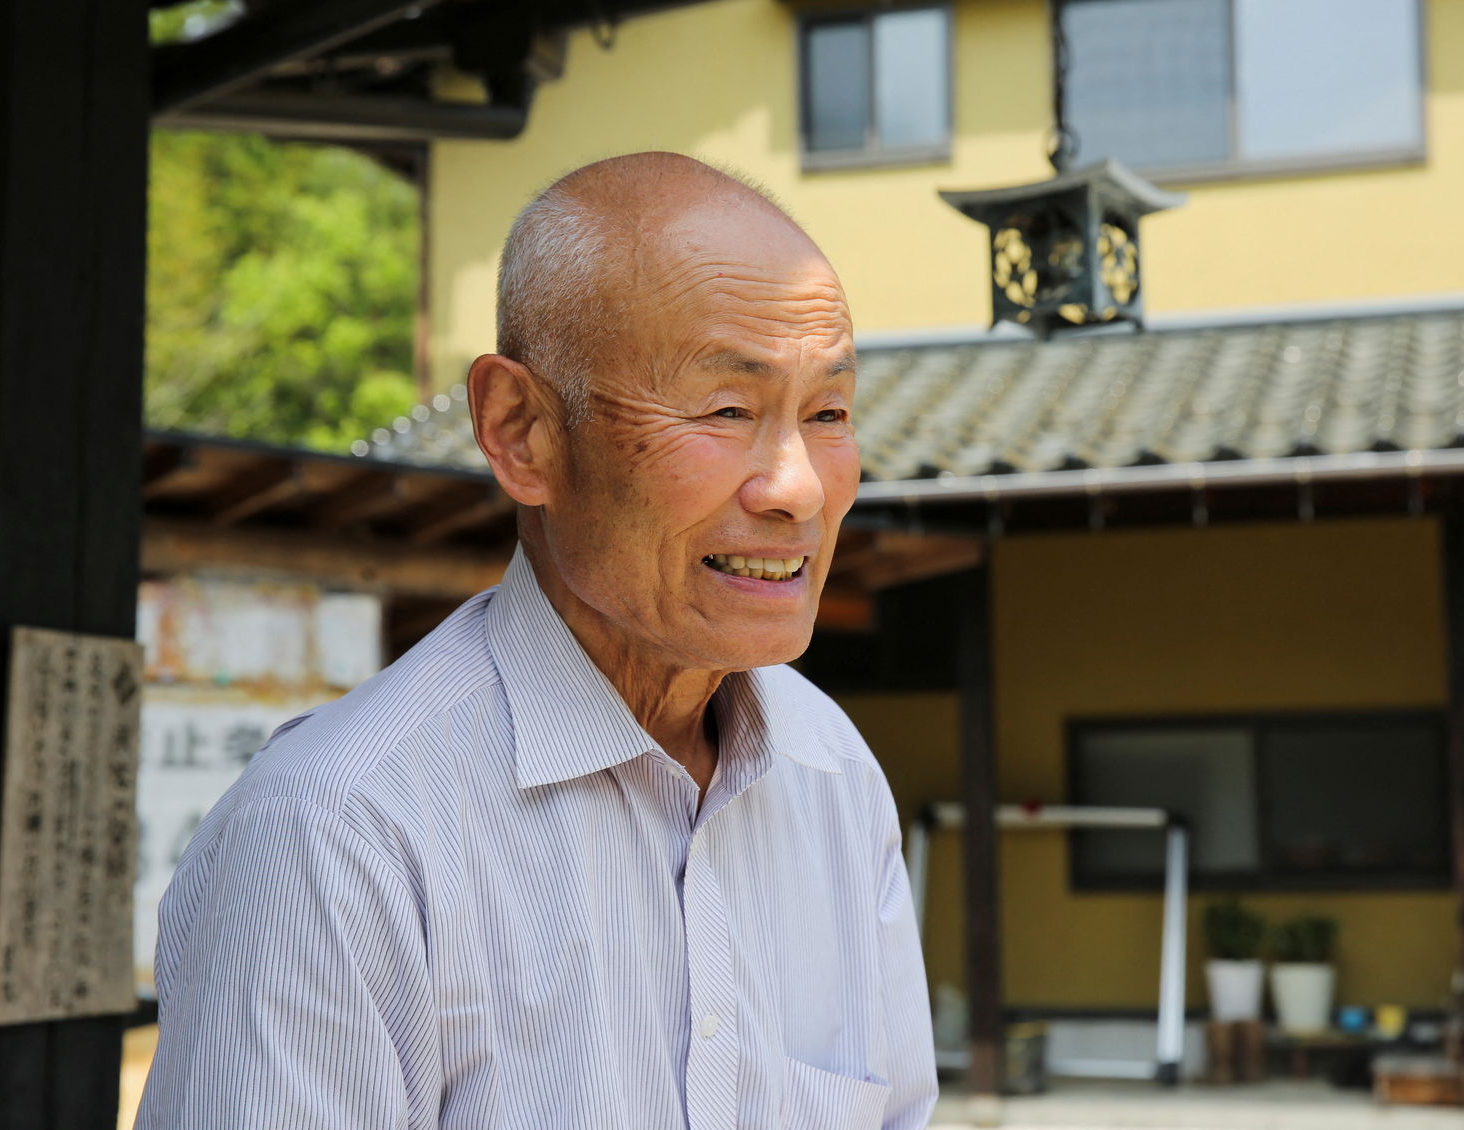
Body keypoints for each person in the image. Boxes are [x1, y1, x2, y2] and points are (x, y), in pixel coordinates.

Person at [135, 151, 937, 1130]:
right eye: (727, 410)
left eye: (828, 413)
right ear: (521, 432)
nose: (799, 488)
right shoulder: (338, 830)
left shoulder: (833, 775)